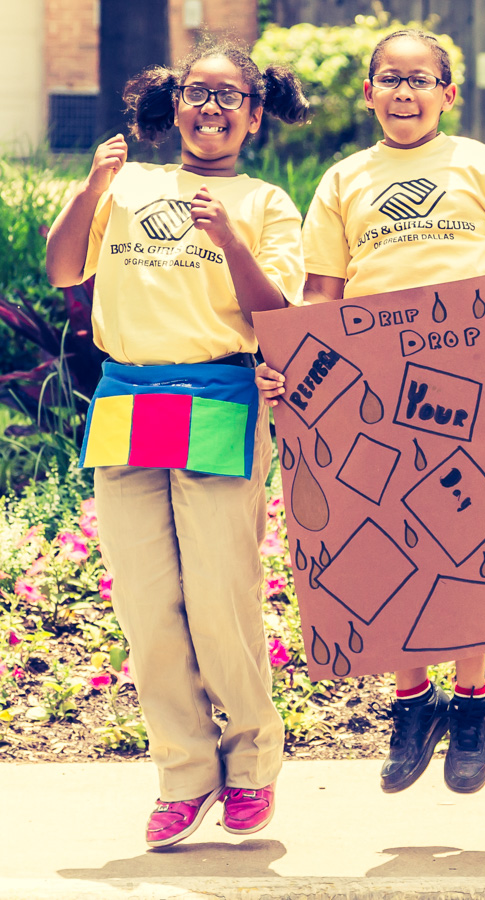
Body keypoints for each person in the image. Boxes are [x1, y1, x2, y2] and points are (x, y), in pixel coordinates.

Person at [255, 28, 485, 796]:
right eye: (390, 80)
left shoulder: (481, 166)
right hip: (371, 386)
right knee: (388, 528)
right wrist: (292, 365)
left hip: (476, 368)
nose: (404, 92)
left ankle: (469, 701)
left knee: (473, 534)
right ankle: (409, 701)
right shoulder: (343, 180)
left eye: (420, 80)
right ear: (368, 93)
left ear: (446, 94)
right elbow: (321, 295)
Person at [45, 40, 309, 849]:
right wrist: (92, 186)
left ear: (254, 114)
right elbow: (62, 269)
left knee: (221, 598)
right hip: (130, 398)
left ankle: (253, 762)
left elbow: (279, 318)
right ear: (176, 101)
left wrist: (230, 240)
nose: (211, 109)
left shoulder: (267, 203)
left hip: (218, 396)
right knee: (147, 606)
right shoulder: (128, 184)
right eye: (199, 93)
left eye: (230, 98)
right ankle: (183, 771)